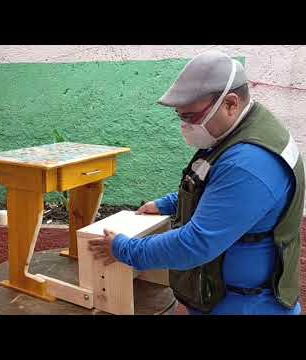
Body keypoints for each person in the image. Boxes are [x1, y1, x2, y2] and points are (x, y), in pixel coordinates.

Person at [88, 50, 305, 315]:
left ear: (230, 104)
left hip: (247, 305)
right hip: (225, 293)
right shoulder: (245, 128)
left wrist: (124, 249)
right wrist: (166, 204)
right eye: (179, 117)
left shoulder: (249, 162)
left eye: (191, 117)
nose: (184, 126)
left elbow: (196, 244)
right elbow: (215, 187)